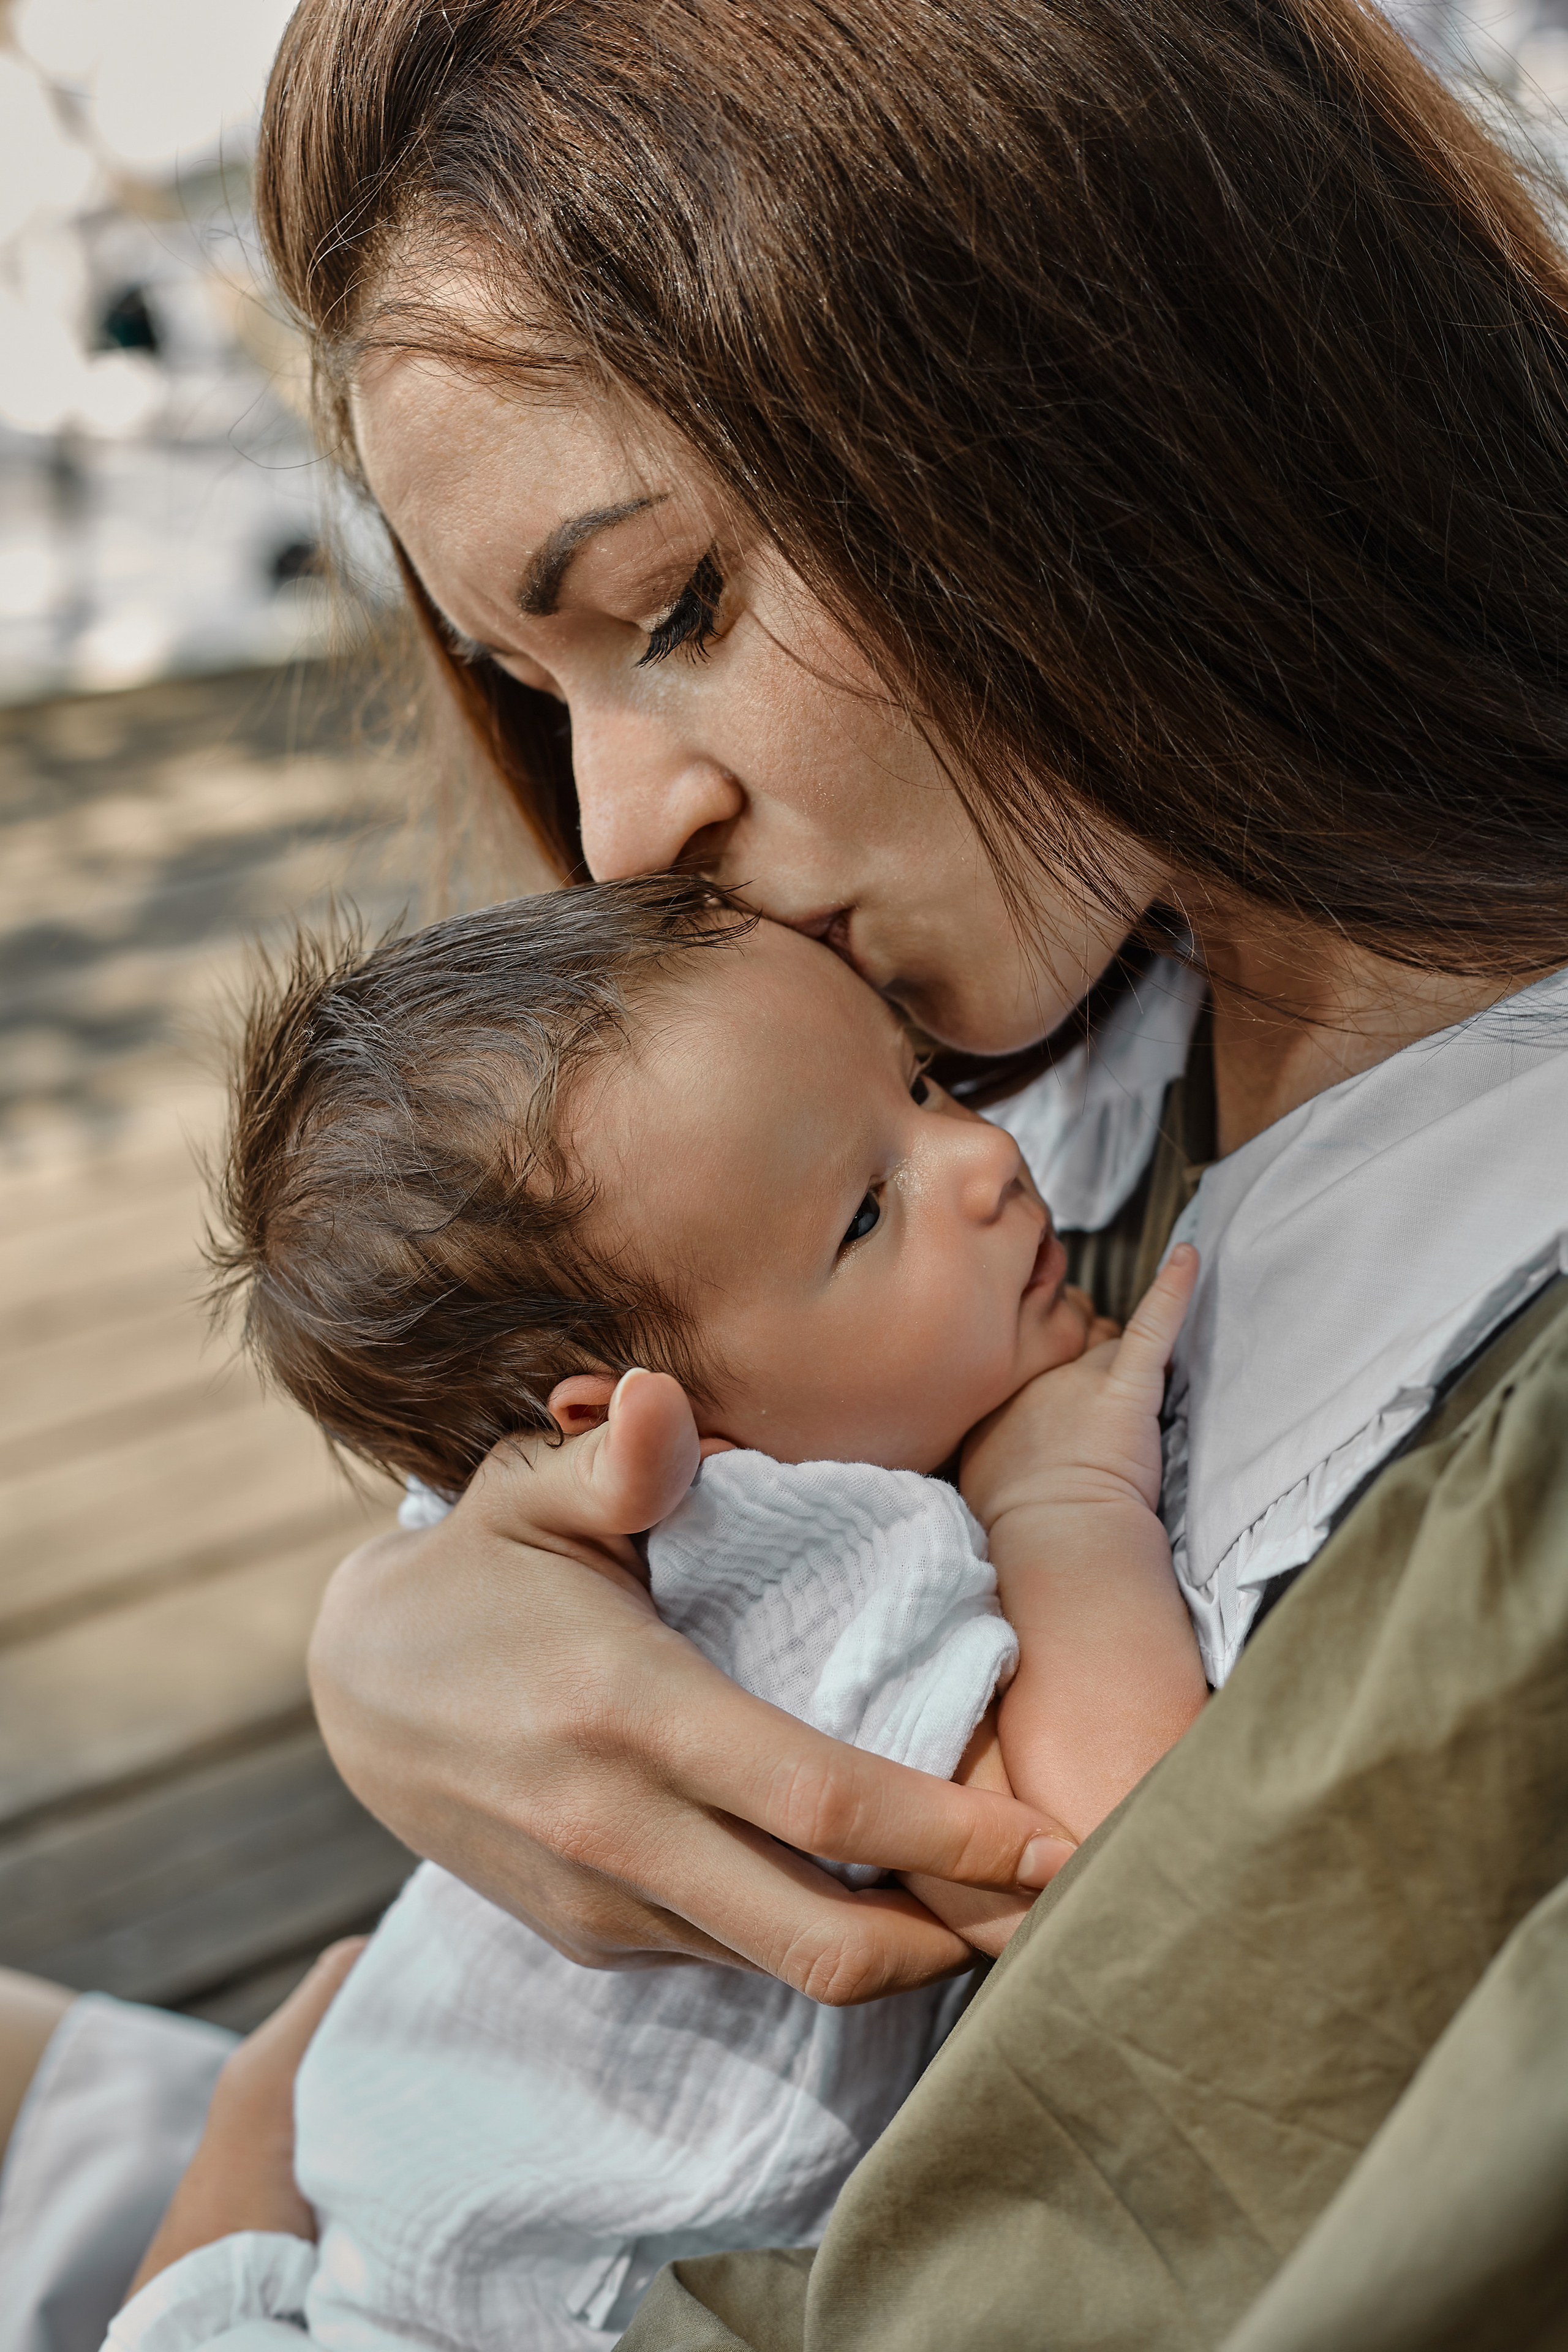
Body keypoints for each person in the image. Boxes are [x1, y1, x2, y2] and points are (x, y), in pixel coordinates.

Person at [3, 0, 1566, 2343]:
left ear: (1100, 360)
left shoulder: (1469, 1373)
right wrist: (415, 1627)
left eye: (678, 608)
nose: (625, 829)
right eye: (542, 685)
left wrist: (218, 2230)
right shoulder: (1072, 1030)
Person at [108, 878, 1204, 2350]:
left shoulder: (513, 1511)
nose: (987, 1158)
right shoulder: (782, 1539)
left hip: (373, 2224)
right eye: (868, 1213)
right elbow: (1104, 1877)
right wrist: (1062, 1509)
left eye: (921, 1084)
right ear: (638, 1426)